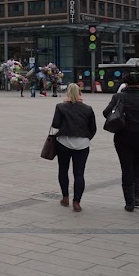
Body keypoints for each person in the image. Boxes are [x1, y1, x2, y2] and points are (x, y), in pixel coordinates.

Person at [103, 72, 139, 211]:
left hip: (123, 137)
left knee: (126, 167)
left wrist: (120, 117)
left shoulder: (119, 96)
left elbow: (106, 112)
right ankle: (137, 197)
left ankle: (129, 202)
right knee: (137, 166)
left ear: (126, 83)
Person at [50, 83, 97, 212]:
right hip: (82, 144)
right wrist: (85, 138)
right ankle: (77, 202)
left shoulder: (61, 107)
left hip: (64, 142)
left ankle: (65, 197)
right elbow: (93, 128)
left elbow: (55, 124)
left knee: (63, 170)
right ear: (80, 93)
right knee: (79, 173)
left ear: (68, 93)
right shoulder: (88, 108)